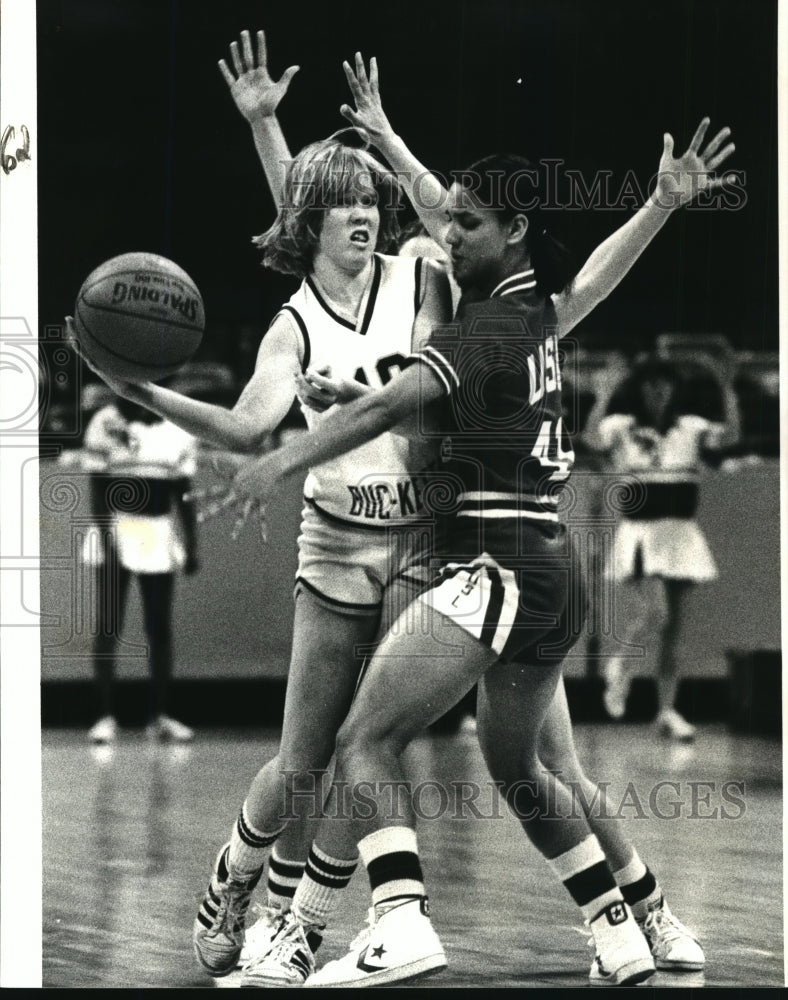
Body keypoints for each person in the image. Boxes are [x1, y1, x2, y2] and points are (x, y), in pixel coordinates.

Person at [200, 52, 735, 987]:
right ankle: (626, 928)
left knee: (374, 743)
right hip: (523, 558)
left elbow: (381, 364)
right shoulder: (508, 301)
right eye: (440, 216)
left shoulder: (476, 313)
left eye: (462, 220)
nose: (439, 224)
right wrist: (381, 135)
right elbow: (345, 226)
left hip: (481, 558)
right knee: (528, 770)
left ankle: (390, 923)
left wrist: (281, 455)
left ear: (503, 231)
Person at [66, 28, 454, 984]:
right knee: (302, 764)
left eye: (372, 202)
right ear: (313, 226)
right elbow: (246, 432)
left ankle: (308, 920)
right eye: (348, 206)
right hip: (333, 543)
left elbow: (456, 219)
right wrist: (137, 387)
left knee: (378, 741)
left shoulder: (417, 274)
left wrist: (385, 140)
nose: (365, 215)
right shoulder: (294, 325)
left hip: (418, 538)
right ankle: (238, 875)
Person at [593, 354, 740, 740]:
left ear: (675, 391)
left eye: (666, 386)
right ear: (640, 389)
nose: (659, 393)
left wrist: (727, 386)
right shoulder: (621, 427)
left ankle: (666, 710)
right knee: (656, 613)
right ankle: (621, 664)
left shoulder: (690, 429)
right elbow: (594, 440)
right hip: (642, 533)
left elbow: (731, 438)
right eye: (651, 386)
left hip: (681, 534)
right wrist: (603, 392)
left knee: (674, 629)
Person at [81, 395, 198, 743]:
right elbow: (98, 487)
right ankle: (105, 716)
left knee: (159, 625)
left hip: (158, 530)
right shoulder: (105, 421)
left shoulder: (178, 427)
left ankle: (159, 717)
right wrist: (107, 538)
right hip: (116, 528)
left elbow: (183, 491)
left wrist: (192, 544)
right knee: (109, 623)